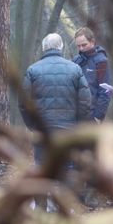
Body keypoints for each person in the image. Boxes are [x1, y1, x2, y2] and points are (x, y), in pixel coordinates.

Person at [20, 33, 91, 165]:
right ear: (61, 47)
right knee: (69, 168)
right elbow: (85, 102)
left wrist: (33, 125)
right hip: (69, 130)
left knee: (43, 169)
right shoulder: (75, 69)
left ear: (43, 48)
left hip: (42, 130)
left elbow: (24, 103)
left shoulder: (32, 70)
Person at [73, 27, 113, 122]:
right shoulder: (76, 60)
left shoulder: (101, 61)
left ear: (92, 42)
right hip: (74, 115)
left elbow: (107, 90)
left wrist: (98, 116)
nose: (81, 48)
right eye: (78, 46)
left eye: (84, 45)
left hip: (92, 116)